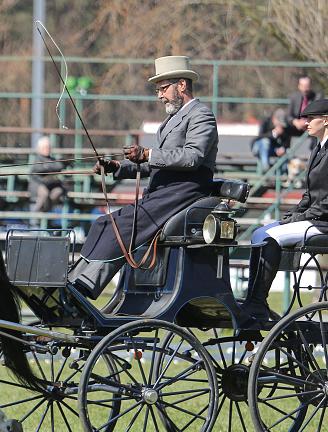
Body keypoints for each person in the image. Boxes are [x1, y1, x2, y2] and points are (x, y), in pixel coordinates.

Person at [67, 55, 218, 299]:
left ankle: (84, 288)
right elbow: (156, 164)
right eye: (158, 90)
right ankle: (74, 280)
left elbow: (192, 157)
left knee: (120, 226)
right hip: (165, 192)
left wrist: (148, 153)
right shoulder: (170, 121)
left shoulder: (201, 115)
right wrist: (118, 167)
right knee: (101, 223)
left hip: (185, 192)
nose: (159, 95)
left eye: (163, 89)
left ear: (182, 85)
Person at [239, 99, 328, 322]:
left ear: (327, 121)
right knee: (259, 233)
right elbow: (310, 195)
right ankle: (254, 298)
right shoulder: (319, 149)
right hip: (315, 218)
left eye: (311, 119)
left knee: (269, 237)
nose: (307, 123)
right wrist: (294, 212)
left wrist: (303, 216)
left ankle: (257, 303)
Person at [29, 137, 67, 220]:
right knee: (44, 193)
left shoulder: (52, 159)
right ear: (40, 148)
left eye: (48, 147)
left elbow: (59, 166)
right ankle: (37, 215)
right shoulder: (37, 158)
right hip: (40, 184)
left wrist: (47, 167)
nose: (47, 149)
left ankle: (45, 213)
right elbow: (39, 169)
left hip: (53, 185)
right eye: (45, 147)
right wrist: (51, 168)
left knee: (57, 192)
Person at [250, 108, 293, 173]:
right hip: (259, 147)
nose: (280, 126)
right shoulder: (265, 121)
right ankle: (265, 166)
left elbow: (287, 143)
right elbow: (260, 136)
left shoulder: (285, 127)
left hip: (273, 148)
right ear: (273, 118)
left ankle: (274, 177)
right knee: (265, 141)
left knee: (288, 154)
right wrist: (274, 133)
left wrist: (282, 148)